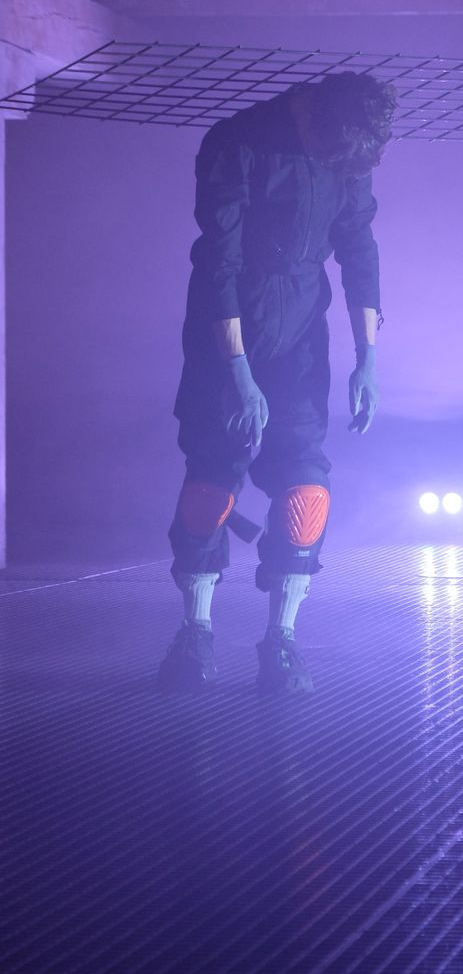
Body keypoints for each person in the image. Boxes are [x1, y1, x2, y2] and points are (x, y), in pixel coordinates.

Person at [157, 71, 395, 695]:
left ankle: (281, 641)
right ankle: (195, 633)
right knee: (212, 482)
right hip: (225, 332)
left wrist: (368, 357)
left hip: (300, 339)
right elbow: (219, 262)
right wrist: (238, 372)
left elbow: (359, 249)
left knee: (304, 492)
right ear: (311, 114)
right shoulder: (237, 142)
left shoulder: (346, 144)